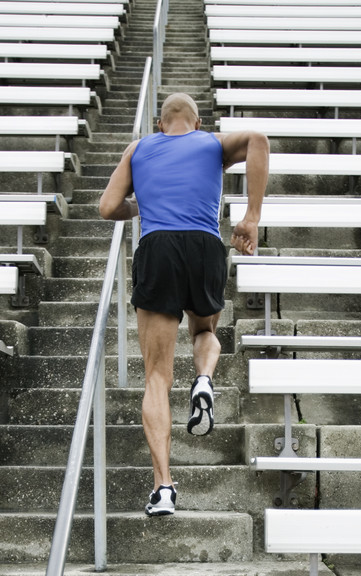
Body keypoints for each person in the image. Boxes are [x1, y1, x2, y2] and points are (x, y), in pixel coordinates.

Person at [99, 91, 269, 516]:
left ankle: (164, 489)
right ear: (196, 123)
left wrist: (141, 205)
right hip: (205, 245)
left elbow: (106, 207)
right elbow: (259, 141)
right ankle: (205, 379)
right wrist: (250, 217)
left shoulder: (139, 149)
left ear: (160, 124)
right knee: (206, 330)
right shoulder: (211, 143)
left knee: (157, 376)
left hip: (158, 247)